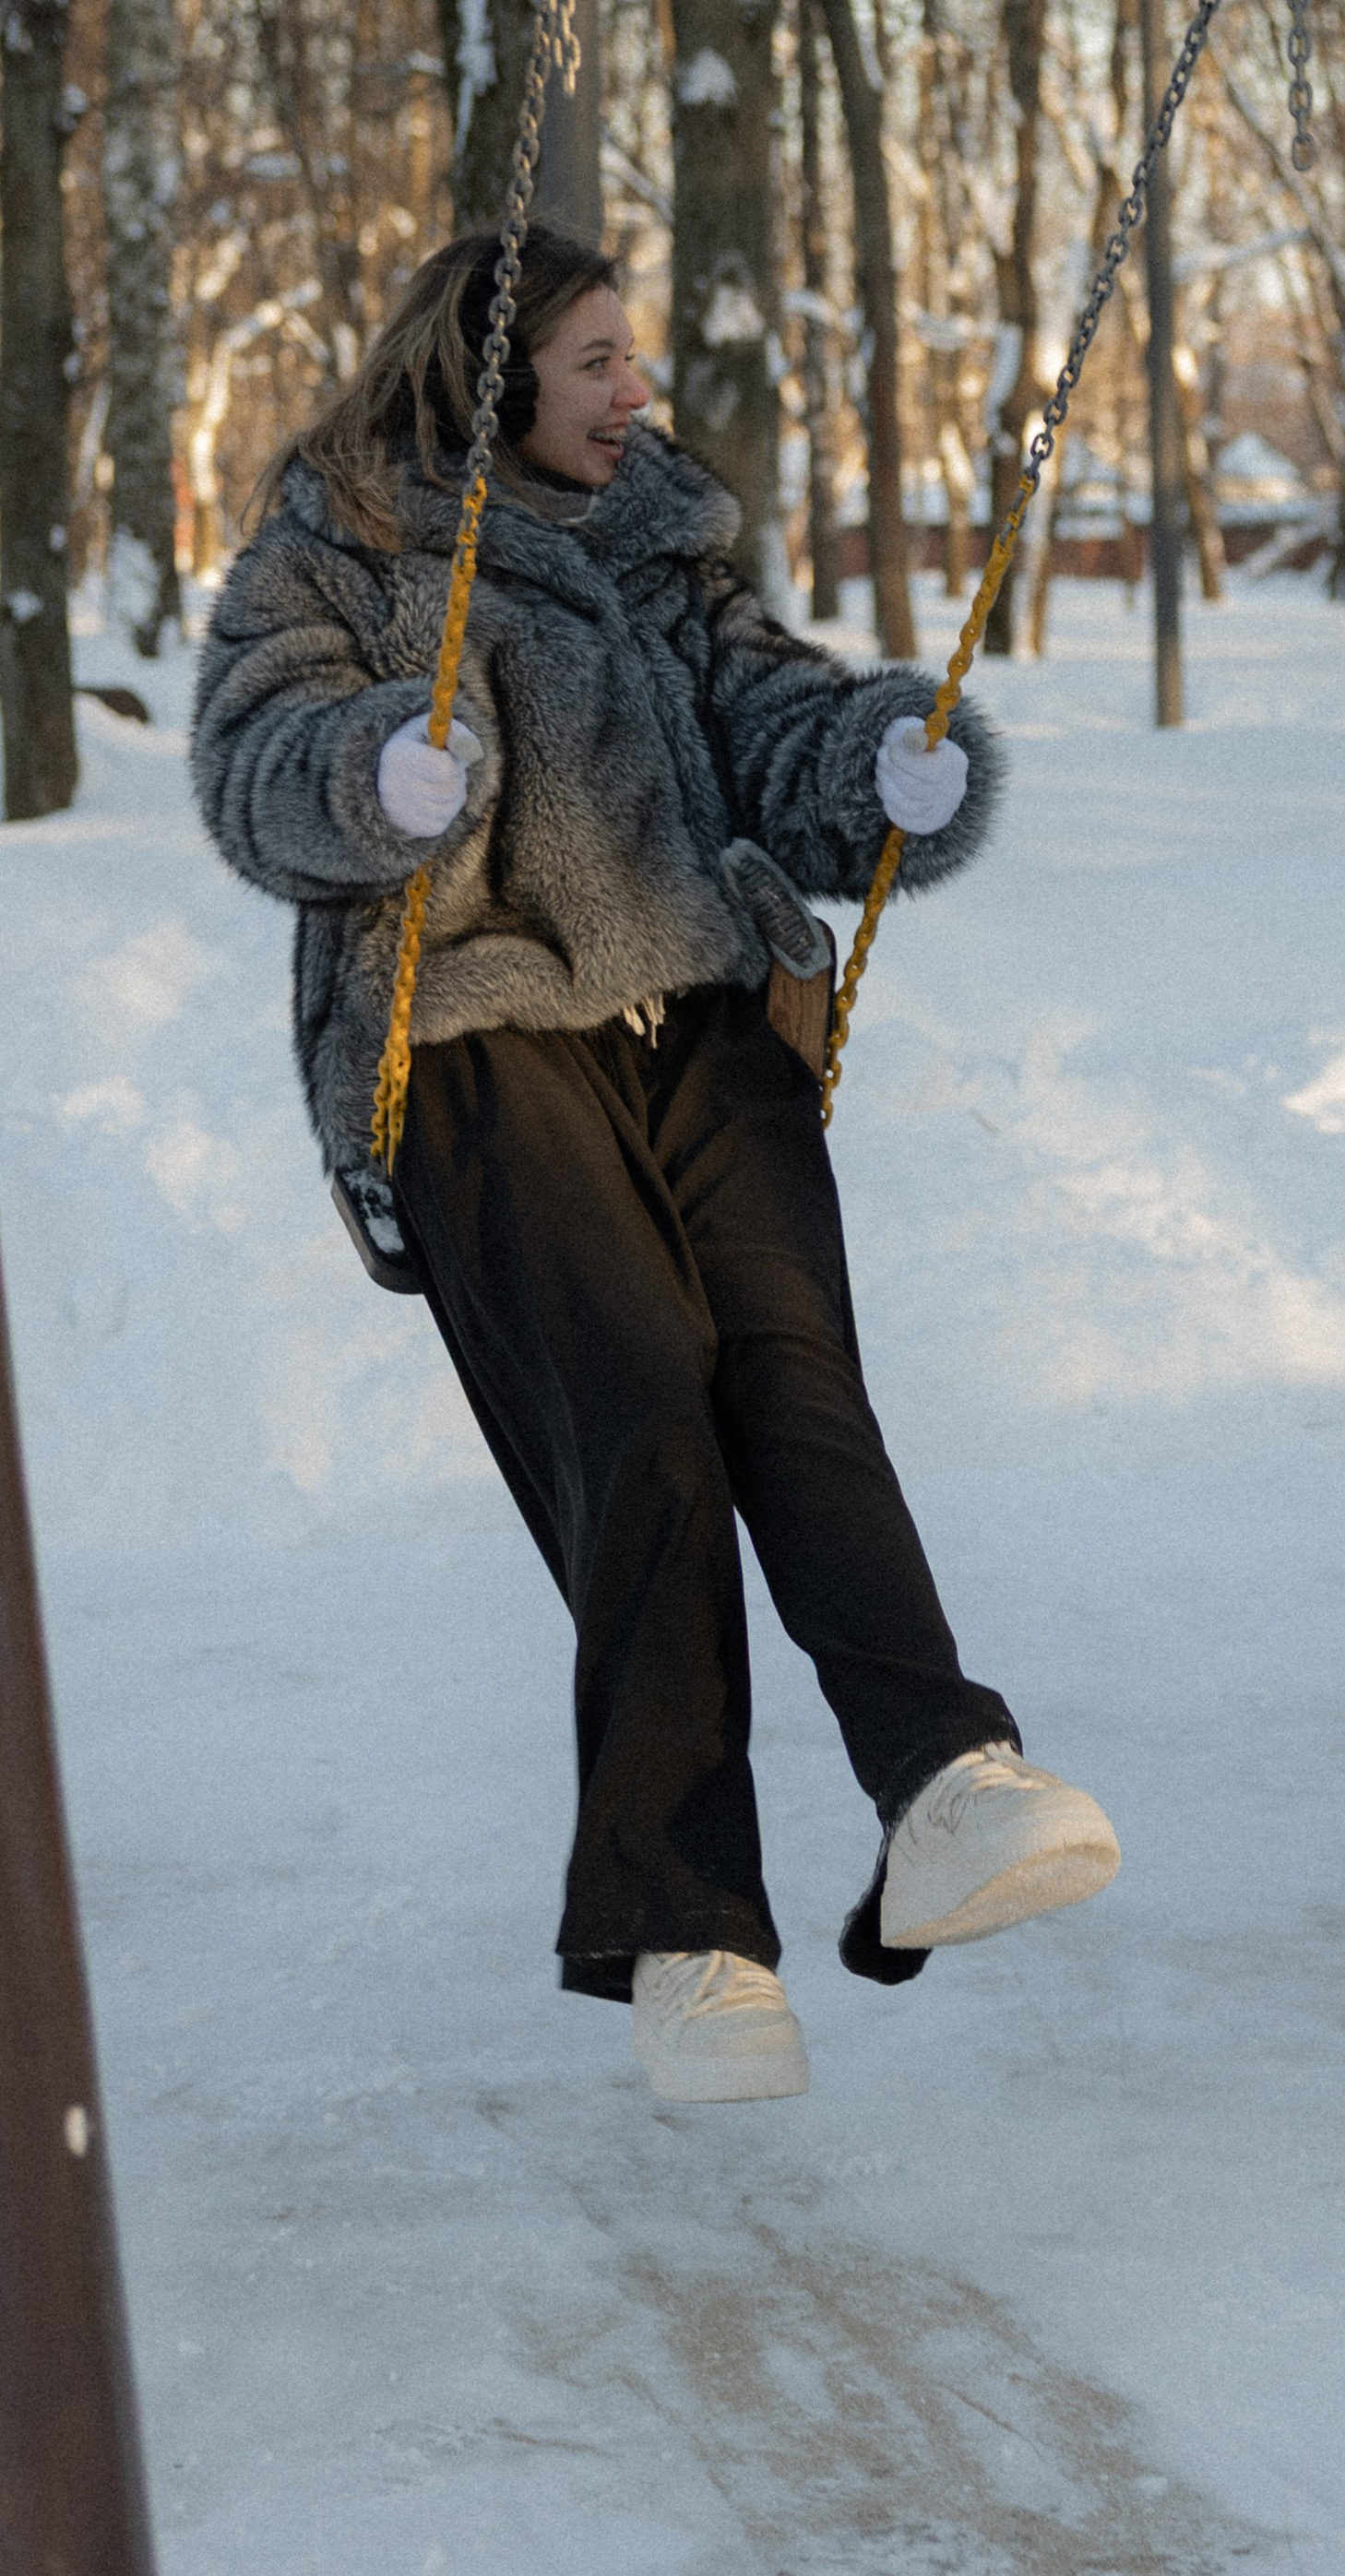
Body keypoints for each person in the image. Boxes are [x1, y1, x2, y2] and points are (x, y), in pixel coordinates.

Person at [194, 224, 1118, 2101]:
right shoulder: (346, 542)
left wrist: (877, 759)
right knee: (643, 1425)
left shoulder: (660, 540)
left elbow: (766, 717)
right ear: (491, 377)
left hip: (701, 1010)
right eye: (600, 358)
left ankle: (942, 1780)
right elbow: (247, 758)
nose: (637, 390)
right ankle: (691, 1936)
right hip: (469, 1032)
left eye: (635, 357)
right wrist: (378, 768)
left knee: (792, 1380)